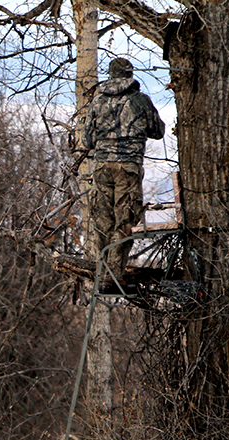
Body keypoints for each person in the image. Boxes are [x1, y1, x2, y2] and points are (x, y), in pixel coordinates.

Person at [82, 57, 165, 293]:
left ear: (110, 75)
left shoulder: (97, 101)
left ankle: (104, 273)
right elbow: (158, 131)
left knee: (103, 221)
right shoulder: (140, 100)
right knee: (125, 220)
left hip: (101, 167)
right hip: (128, 167)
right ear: (130, 74)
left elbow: (86, 140)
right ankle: (114, 276)